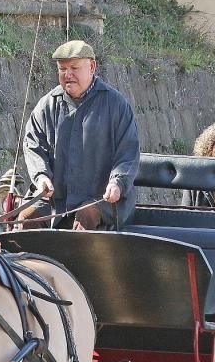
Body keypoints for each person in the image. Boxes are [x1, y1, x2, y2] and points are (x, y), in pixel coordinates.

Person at [20, 40, 140, 231]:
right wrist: (41, 176)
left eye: (74, 68)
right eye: (62, 69)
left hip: (100, 199)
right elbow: (33, 145)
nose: (68, 75)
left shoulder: (116, 105)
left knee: (86, 217)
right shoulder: (47, 105)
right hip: (55, 201)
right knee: (25, 220)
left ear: (92, 66)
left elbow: (128, 154)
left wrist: (117, 182)